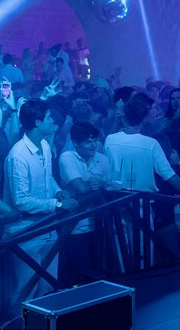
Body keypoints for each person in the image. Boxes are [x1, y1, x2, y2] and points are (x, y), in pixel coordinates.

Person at [4, 99, 78, 301]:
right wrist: (58, 204)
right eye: (48, 117)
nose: (52, 120)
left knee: (47, 287)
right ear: (37, 122)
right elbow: (21, 201)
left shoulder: (44, 145)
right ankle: (16, 320)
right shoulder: (18, 156)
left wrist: (58, 192)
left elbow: (48, 178)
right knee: (24, 290)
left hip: (47, 228)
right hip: (25, 233)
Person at [58, 122, 110, 286]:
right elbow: (80, 187)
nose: (93, 145)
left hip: (100, 225)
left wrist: (102, 184)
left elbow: (111, 185)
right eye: (88, 142)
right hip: (74, 227)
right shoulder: (67, 157)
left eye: (95, 141)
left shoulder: (103, 159)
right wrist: (99, 184)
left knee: (98, 275)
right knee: (77, 276)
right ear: (75, 142)